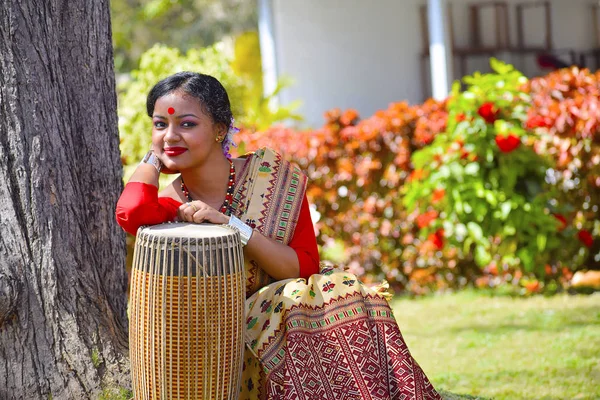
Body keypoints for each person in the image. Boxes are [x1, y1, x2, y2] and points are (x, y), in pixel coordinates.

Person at [116, 71, 441, 400]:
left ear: (220, 130)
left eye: (186, 124)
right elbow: (131, 213)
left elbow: (303, 268)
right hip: (222, 348)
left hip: (288, 316)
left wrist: (232, 225)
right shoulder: (173, 203)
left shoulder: (272, 180)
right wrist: (152, 159)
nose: (171, 135)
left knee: (333, 290)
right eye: (160, 125)